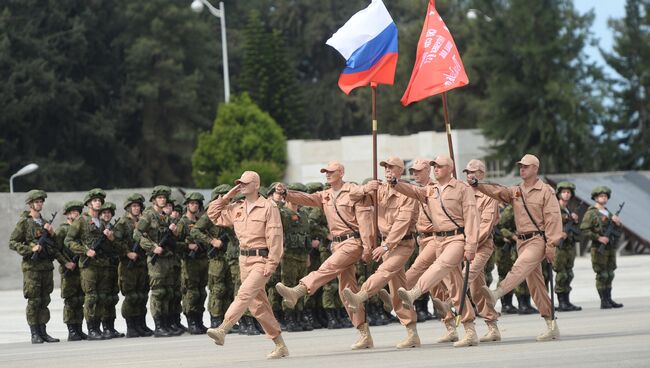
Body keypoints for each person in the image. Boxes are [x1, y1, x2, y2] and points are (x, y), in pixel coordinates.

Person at [274, 161, 375, 350]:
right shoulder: (325, 195)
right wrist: (287, 194)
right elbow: (306, 198)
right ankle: (364, 333)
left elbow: (365, 217)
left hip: (353, 242)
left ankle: (299, 290)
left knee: (327, 267)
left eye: (331, 171)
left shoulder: (353, 190)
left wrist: (368, 247)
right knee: (346, 291)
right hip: (337, 244)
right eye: (325, 172)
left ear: (341, 172)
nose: (327, 174)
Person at [391, 155, 480, 348]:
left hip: (457, 238)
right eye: (434, 166)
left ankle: (414, 292)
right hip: (439, 239)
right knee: (456, 287)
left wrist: (471, 245)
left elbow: (472, 218)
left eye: (439, 166)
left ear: (449, 168)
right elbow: (413, 191)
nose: (436, 169)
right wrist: (396, 183)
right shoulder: (430, 190)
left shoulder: (462, 189)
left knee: (440, 266)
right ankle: (470, 330)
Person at [471, 154, 562, 341]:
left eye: (526, 166)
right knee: (536, 286)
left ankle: (498, 292)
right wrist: (477, 185)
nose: (522, 169)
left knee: (520, 265)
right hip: (522, 241)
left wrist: (552, 245)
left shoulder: (546, 191)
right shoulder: (516, 190)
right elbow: (498, 191)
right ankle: (551, 324)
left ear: (535, 168)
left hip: (538, 240)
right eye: (520, 166)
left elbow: (554, 218)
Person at [206, 171, 288, 359]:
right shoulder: (237, 207)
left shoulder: (268, 207)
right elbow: (213, 215)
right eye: (239, 183)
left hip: (262, 260)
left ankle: (223, 329)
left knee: (244, 294)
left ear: (256, 185)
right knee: (258, 305)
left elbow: (275, 237)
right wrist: (227, 197)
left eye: (245, 183)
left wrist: (272, 263)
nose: (241, 185)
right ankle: (280, 345)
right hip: (244, 260)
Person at [342, 156, 420, 349]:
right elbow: (352, 196)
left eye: (392, 168)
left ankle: (361, 295)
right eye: (385, 168)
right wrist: (365, 189)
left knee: (384, 271)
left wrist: (386, 246)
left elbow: (402, 222)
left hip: (402, 244)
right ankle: (412, 333)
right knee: (397, 291)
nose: (387, 171)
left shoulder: (407, 193)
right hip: (386, 244)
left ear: (400, 170)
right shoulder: (379, 189)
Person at [10, 189, 74, 343]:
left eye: (41, 201)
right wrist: (29, 249)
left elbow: (54, 246)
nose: (40, 204)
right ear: (31, 204)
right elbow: (13, 242)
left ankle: (43, 331)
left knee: (45, 300)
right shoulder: (24, 222)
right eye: (37, 202)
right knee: (34, 301)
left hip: (46, 267)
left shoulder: (45, 223)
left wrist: (52, 234)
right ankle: (34, 333)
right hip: (32, 268)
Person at [134, 186, 183, 337]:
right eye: (160, 197)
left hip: (168, 258)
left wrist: (175, 231)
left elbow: (172, 237)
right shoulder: (148, 215)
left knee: (168, 292)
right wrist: (152, 247)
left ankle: (166, 323)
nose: (163, 200)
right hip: (156, 260)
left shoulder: (164, 216)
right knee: (158, 292)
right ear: (154, 199)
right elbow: (136, 234)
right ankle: (159, 325)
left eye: (164, 198)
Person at [462, 159, 501, 342]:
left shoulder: (489, 195)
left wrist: (471, 243)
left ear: (482, 174)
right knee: (477, 288)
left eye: (473, 172)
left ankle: (449, 305)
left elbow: (485, 226)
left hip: (481, 245)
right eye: (467, 172)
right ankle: (492, 327)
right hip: (463, 245)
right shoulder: (464, 192)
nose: (470, 175)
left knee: (463, 278)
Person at [114, 193, 153, 337]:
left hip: (142, 263)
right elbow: (115, 242)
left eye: (138, 206)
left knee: (142, 295)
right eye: (134, 206)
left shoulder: (143, 222)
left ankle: (141, 324)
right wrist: (126, 253)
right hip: (128, 265)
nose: (136, 208)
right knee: (131, 297)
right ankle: (131, 326)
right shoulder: (123, 223)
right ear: (128, 208)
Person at [580, 186, 624, 309]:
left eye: (605, 196)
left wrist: (618, 223)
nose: (603, 198)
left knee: (610, 274)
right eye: (600, 196)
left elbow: (618, 230)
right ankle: (603, 300)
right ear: (595, 197)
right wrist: (598, 238)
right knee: (602, 275)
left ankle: (609, 299)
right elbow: (584, 230)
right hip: (598, 248)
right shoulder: (591, 213)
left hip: (610, 248)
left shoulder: (609, 213)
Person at [177, 192, 209, 334]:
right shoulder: (182, 222)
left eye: (196, 203)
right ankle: (191, 322)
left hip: (201, 260)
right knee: (191, 293)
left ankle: (199, 321)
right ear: (187, 205)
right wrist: (187, 246)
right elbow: (173, 243)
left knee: (201, 292)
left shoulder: (199, 221)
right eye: (191, 203)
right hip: (189, 261)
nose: (194, 206)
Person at [56, 200, 86, 341]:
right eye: (73, 211)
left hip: (81, 268)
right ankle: (71, 330)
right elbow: (56, 250)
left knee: (80, 299)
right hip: (69, 269)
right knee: (70, 300)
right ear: (67, 214)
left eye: (78, 211)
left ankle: (79, 328)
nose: (76, 214)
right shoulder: (62, 229)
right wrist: (66, 262)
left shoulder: (81, 229)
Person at [97, 201, 125, 338]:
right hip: (101, 266)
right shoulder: (97, 227)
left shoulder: (115, 228)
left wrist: (112, 238)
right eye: (103, 213)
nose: (106, 215)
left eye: (108, 213)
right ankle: (104, 327)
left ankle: (110, 327)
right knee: (103, 297)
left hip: (113, 265)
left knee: (112, 297)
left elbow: (120, 246)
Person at [553, 182, 582, 312]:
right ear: (559, 194)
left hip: (568, 246)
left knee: (569, 274)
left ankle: (567, 301)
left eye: (569, 192)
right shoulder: (554, 208)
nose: (566, 194)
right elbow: (551, 222)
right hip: (559, 246)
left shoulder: (568, 209)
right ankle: (561, 302)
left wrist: (574, 220)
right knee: (561, 274)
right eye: (564, 192)